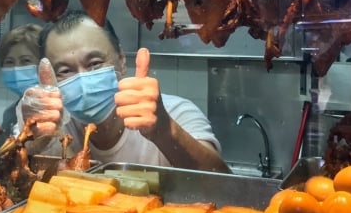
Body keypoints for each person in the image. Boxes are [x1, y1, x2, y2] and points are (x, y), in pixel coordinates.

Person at [18, 10, 228, 172]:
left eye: (94, 63)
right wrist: (36, 142)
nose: (82, 79)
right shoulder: (45, 119)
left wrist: (165, 131)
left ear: (120, 59)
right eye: (65, 70)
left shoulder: (177, 112)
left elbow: (223, 183)